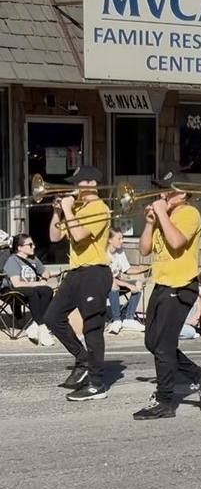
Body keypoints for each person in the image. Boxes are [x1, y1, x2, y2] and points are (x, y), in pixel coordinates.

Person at [133, 172, 201, 419]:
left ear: (182, 193)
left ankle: (165, 400)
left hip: (180, 285)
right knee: (153, 342)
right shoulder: (163, 215)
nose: (161, 194)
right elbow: (145, 249)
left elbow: (177, 242)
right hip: (161, 284)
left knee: (164, 346)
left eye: (167, 190)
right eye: (160, 189)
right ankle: (199, 375)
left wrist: (161, 214)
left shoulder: (189, 213)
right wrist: (150, 222)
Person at [45, 165, 114, 401]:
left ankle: (97, 384)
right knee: (52, 318)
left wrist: (68, 209)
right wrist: (58, 212)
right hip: (75, 273)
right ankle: (83, 359)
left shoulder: (100, 208)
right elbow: (55, 237)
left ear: (91, 184)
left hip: (95, 272)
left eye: (78, 183)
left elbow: (80, 236)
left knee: (92, 328)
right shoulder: (75, 208)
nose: (73, 188)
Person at [4, 234, 55, 346]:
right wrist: (38, 283)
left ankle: (34, 327)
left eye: (33, 244)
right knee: (34, 292)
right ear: (20, 247)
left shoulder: (33, 259)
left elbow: (46, 272)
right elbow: (16, 284)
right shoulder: (13, 260)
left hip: (30, 289)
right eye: (30, 244)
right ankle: (42, 327)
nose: (34, 247)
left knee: (47, 290)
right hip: (13, 292)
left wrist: (44, 278)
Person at [105, 227, 146, 334]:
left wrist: (144, 269)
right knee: (113, 284)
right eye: (119, 239)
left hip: (116, 283)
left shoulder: (120, 251)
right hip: (104, 285)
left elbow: (127, 269)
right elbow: (109, 278)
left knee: (138, 283)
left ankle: (129, 318)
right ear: (110, 240)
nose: (121, 241)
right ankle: (116, 320)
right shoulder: (104, 254)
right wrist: (128, 286)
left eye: (122, 238)